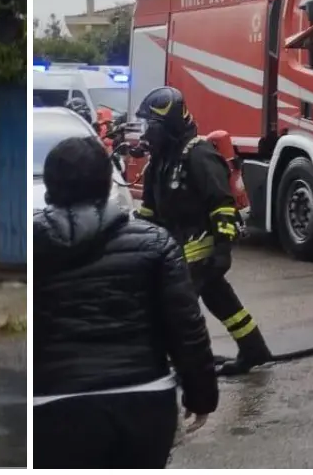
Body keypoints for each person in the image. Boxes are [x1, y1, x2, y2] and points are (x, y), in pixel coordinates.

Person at [34, 135, 219, 469]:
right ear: (108, 185)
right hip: (145, 405)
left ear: (49, 188)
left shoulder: (31, 247)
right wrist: (200, 394)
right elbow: (186, 327)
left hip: (52, 407)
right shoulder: (156, 243)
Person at [135, 85, 274, 376]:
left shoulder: (198, 155)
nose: (146, 133)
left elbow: (221, 204)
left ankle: (174, 365)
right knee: (220, 300)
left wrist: (222, 250)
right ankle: (254, 349)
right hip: (175, 250)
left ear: (170, 126)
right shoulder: (158, 163)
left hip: (200, 249)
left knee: (176, 309)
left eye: (152, 126)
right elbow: (149, 213)